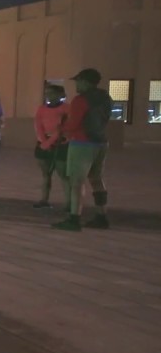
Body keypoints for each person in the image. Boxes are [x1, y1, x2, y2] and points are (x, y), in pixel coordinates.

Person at [53, 68, 112, 231]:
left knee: (76, 182)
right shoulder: (105, 97)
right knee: (96, 179)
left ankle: (74, 218)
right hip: (101, 142)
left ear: (86, 82)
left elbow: (73, 124)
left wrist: (61, 128)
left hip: (82, 143)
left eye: (78, 81)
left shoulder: (80, 100)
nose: (76, 85)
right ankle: (101, 216)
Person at [32, 83, 68, 209]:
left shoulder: (66, 109)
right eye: (47, 93)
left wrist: (49, 142)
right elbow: (38, 125)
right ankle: (44, 199)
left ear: (61, 95)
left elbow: (63, 128)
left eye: (52, 93)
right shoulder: (41, 109)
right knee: (45, 174)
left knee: (63, 174)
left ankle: (69, 203)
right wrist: (43, 142)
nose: (48, 95)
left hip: (60, 144)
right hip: (43, 144)